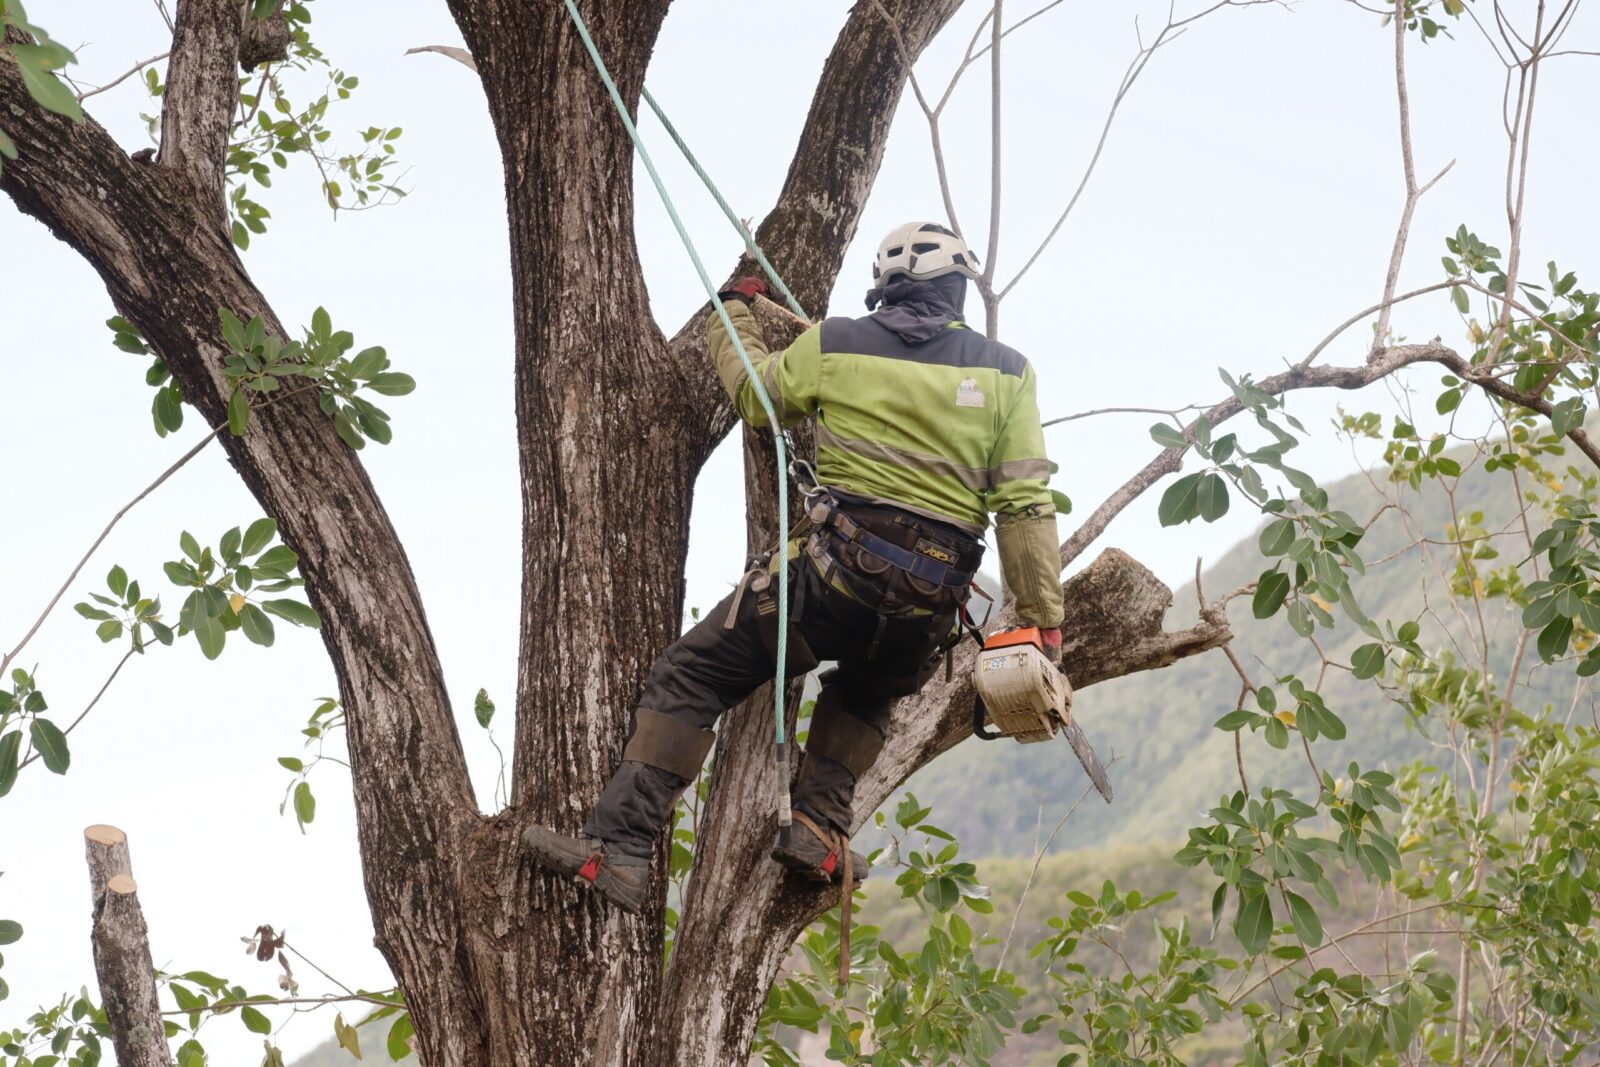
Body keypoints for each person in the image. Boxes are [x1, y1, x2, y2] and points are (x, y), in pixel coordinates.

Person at [524, 221, 1065, 912]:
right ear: (957, 288)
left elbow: (756, 393)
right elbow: (1023, 503)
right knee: (868, 690)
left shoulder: (838, 341)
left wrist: (731, 312)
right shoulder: (1007, 373)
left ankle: (621, 845)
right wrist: (1044, 623)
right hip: (923, 615)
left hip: (830, 587)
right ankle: (817, 827)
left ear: (886, 287)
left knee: (693, 672)